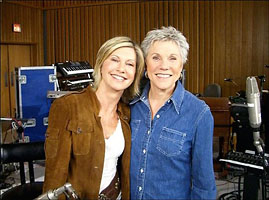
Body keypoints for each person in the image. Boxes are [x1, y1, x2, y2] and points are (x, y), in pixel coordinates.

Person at [43, 36, 144, 199]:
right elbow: (55, 176)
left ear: (135, 74)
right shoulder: (67, 106)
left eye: (130, 64)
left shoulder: (128, 114)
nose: (121, 69)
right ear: (101, 64)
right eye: (115, 60)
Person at [130, 26, 216, 199]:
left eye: (172, 58)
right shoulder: (130, 105)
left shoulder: (199, 114)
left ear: (181, 65)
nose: (164, 66)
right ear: (146, 63)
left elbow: (204, 185)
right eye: (156, 58)